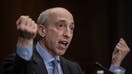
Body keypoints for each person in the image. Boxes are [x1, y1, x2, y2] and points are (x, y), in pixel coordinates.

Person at [3, 7, 130, 74]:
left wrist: (115, 65)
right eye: (61, 26)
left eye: (72, 28)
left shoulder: (73, 68)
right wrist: (25, 41)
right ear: (42, 31)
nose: (68, 34)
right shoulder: (16, 61)